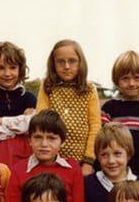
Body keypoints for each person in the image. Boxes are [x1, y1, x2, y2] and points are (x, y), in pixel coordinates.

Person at [4, 109, 85, 202]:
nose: (44, 144)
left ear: (62, 142)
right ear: (29, 140)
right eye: (38, 137)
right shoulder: (19, 170)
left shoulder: (73, 169)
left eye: (51, 138)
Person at [36, 39, 101, 175]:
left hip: (80, 162)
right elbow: (41, 121)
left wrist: (89, 161)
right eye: (61, 61)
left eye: (72, 61)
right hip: (51, 159)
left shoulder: (89, 89)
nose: (66, 66)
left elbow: (95, 126)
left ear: (80, 63)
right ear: (53, 64)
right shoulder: (47, 86)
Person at [100, 50, 139, 176]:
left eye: (137, 78)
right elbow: (102, 141)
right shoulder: (109, 108)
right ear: (117, 81)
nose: (131, 83)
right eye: (125, 78)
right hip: (113, 169)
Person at [0, 41, 37, 166]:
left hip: (25, 160)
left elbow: (33, 126)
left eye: (13, 67)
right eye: (1, 68)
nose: (7, 73)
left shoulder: (29, 98)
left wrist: (1, 121)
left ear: (20, 69)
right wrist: (20, 124)